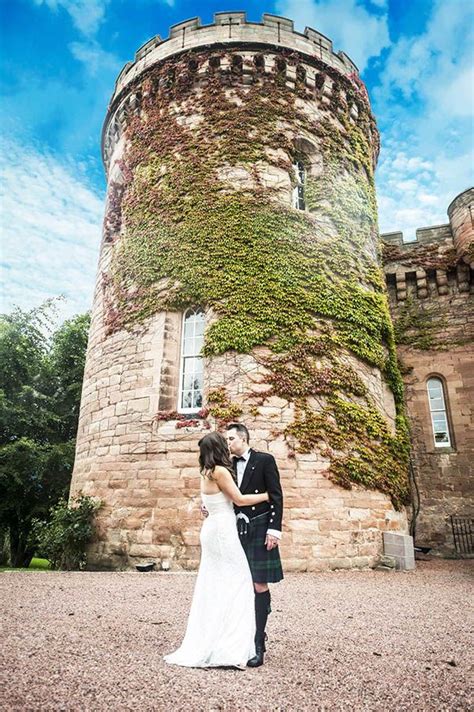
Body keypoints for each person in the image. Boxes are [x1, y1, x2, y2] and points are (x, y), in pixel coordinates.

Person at [163, 431, 270, 669]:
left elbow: (212, 502)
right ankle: (230, 644)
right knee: (240, 581)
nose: (228, 444)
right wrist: (267, 495)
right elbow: (240, 500)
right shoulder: (220, 471)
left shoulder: (207, 471)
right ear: (219, 448)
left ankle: (215, 637)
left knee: (215, 583)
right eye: (225, 442)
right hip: (223, 532)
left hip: (211, 529)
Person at [226, 423, 284, 668]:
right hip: (235, 529)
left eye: (230, 439)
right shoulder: (227, 465)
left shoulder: (264, 460)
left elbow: (276, 495)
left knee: (259, 583)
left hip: (260, 528)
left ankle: (259, 641)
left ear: (242, 438)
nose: (227, 443)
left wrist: (274, 530)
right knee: (236, 583)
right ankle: (238, 638)